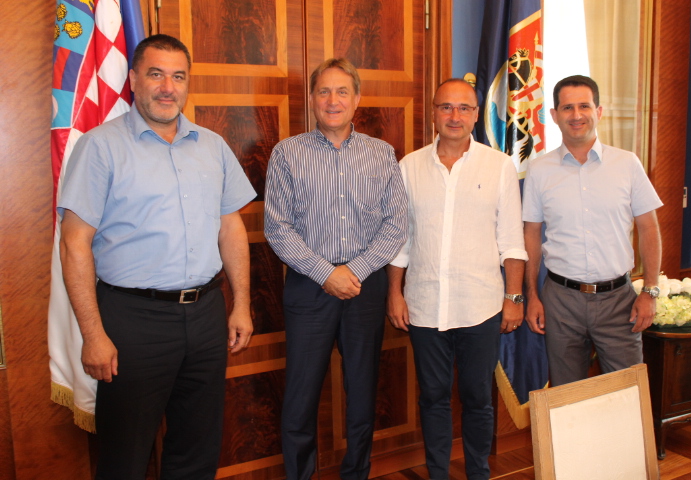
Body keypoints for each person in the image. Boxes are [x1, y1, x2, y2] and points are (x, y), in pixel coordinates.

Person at [58, 34, 257, 480]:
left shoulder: (212, 146)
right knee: (125, 456)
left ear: (187, 83)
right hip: (133, 321)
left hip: (206, 315)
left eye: (178, 76)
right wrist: (93, 334)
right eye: (156, 74)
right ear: (133, 79)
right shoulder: (100, 147)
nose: (168, 87)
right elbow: (74, 243)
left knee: (197, 448)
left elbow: (230, 228)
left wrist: (241, 304)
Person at [264, 58, 408, 480]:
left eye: (342, 91)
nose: (333, 100)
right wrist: (326, 272)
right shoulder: (287, 153)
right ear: (311, 99)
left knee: (362, 395)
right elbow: (277, 227)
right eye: (324, 91)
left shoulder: (381, 154)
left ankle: (356, 474)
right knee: (300, 398)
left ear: (357, 99)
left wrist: (355, 270)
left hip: (365, 288)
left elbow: (396, 224)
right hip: (309, 288)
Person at [386, 78, 527, 480]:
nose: (454, 116)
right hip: (424, 305)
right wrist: (394, 292)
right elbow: (401, 238)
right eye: (446, 107)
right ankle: (438, 473)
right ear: (433, 113)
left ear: (476, 115)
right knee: (432, 397)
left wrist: (514, 297)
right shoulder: (409, 166)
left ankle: (478, 472)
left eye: (464, 108)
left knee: (477, 398)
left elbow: (512, 240)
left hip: (480, 305)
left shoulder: (499, 166)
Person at [523, 74, 663, 386]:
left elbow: (649, 228)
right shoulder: (539, 170)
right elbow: (531, 234)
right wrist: (532, 295)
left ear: (598, 111)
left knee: (626, 391)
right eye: (567, 108)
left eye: (584, 106)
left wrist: (650, 291)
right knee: (567, 395)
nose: (576, 115)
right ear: (554, 115)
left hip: (619, 302)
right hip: (561, 301)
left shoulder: (627, 164)